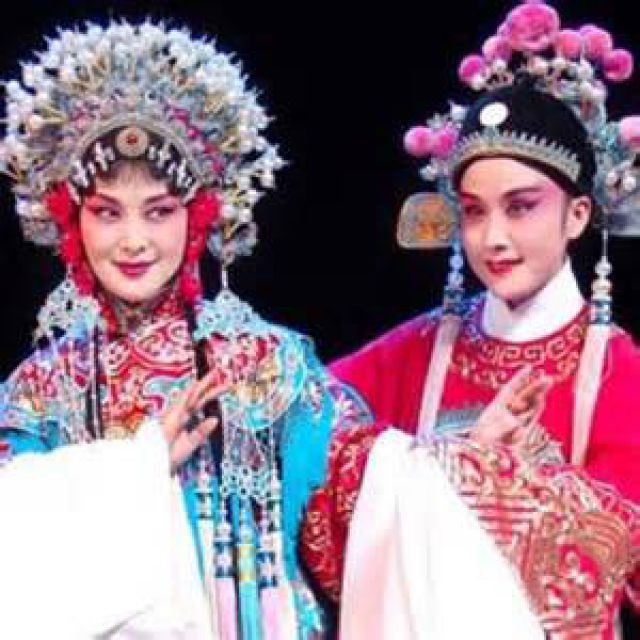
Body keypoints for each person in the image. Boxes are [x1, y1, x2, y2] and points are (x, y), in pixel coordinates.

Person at [0, 20, 369, 639]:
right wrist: (135, 467)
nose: (134, 241)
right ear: (71, 220)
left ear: (197, 219)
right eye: (107, 213)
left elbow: (362, 495)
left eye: (160, 212)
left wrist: (444, 466)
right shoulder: (40, 392)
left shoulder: (267, 364)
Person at [301, 2, 640, 638]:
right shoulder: (414, 350)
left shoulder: (619, 372)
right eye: (475, 212)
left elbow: (620, 546)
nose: (493, 238)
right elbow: (306, 432)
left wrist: (474, 476)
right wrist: (460, 461)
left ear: (576, 215)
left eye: (521, 207)